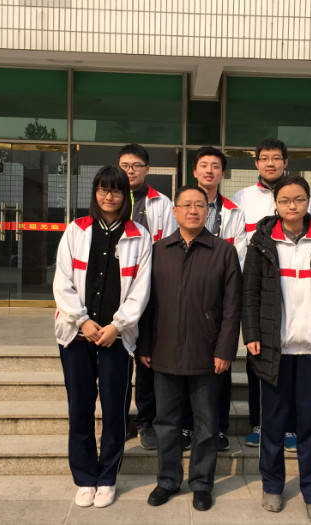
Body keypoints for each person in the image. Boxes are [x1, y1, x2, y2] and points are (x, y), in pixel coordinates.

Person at [242, 174, 311, 523]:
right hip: (275, 347)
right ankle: (272, 486)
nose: (292, 205)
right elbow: (250, 293)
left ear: (308, 201)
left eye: (299, 199)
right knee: (272, 423)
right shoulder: (261, 242)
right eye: (285, 200)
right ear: (275, 203)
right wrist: (252, 333)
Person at [53, 165, 152, 509]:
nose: (109, 197)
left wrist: (117, 326)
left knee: (114, 411)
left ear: (126, 196)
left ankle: (107, 477)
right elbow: (61, 281)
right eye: (103, 190)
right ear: (95, 192)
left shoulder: (139, 235)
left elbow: (141, 289)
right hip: (76, 336)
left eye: (116, 191)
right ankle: (84, 477)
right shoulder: (76, 229)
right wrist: (82, 321)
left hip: (117, 339)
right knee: (80, 408)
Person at [138, 185, 242, 512]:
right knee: (166, 422)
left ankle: (201, 483)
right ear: (175, 211)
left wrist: (225, 350)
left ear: (208, 211)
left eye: (199, 205)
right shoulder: (158, 250)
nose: (193, 210)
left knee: (207, 423)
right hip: (164, 349)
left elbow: (232, 307)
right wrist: (145, 344)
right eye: (186, 205)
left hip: (206, 351)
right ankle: (167, 480)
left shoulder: (223, 251)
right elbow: (146, 303)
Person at [232, 138, 311, 450]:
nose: (270, 163)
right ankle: (259, 422)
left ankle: (291, 427)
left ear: (285, 162)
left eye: (276, 158)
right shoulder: (242, 197)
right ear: (256, 163)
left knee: (291, 360)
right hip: (256, 286)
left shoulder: (300, 194)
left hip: (294, 287)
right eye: (264, 158)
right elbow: (239, 243)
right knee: (258, 356)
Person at [180, 146, 247, 452]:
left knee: (220, 364)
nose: (209, 170)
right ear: (195, 171)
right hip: (186, 296)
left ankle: (218, 427)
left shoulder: (235, 212)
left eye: (215, 166)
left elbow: (240, 257)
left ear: (223, 173)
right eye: (204, 165)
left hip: (219, 299)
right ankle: (186, 425)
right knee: (184, 363)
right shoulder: (180, 206)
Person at [118, 143, 177, 451]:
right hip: (116, 289)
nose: (130, 171)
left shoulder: (161, 203)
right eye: (125, 165)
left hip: (150, 289)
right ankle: (117, 420)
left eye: (136, 165)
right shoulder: (111, 199)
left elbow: (168, 246)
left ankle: (144, 421)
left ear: (147, 169)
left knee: (145, 358)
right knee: (117, 360)